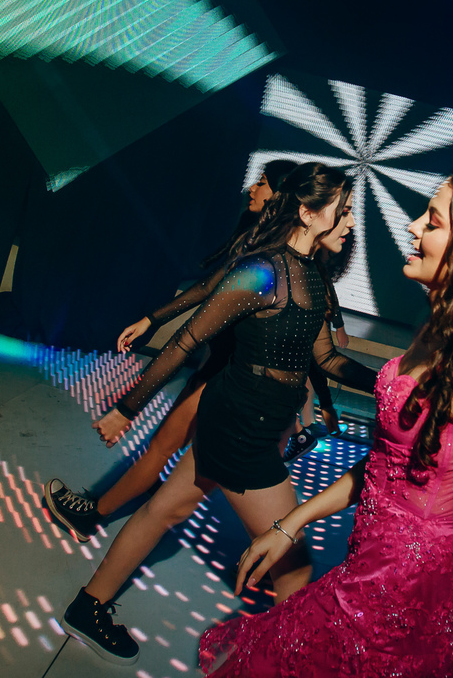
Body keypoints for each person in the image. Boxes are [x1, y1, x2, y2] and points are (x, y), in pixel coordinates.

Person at [200, 170, 453, 678]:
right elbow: (387, 467)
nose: (413, 226)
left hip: (410, 605)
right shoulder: (439, 329)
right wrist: (291, 523)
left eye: (433, 222)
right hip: (368, 574)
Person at [55, 162, 378, 665]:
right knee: (293, 567)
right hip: (241, 432)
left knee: (163, 509)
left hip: (244, 422)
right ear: (308, 213)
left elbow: (328, 359)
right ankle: (288, 666)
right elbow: (186, 341)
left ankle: (87, 607)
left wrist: (390, 383)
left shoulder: (314, 276)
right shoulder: (263, 270)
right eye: (345, 211)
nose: (352, 222)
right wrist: (126, 408)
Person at [44, 160, 299, 543]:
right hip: (221, 366)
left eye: (261, 183)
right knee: (168, 450)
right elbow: (207, 287)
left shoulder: (270, 258)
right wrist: (151, 319)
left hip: (229, 375)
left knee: (163, 449)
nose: (252, 188)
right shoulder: (258, 241)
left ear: (279, 195)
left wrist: (125, 410)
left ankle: (91, 516)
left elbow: (187, 339)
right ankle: (136, 492)